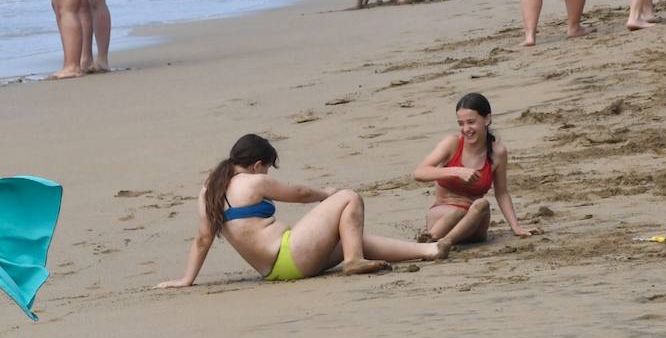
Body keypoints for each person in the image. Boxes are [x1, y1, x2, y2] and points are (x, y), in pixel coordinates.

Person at [156, 134, 450, 288]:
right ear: (258, 165)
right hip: (290, 253)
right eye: (268, 166)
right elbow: (300, 194)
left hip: (273, 271)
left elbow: (203, 239)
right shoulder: (253, 181)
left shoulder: (208, 191)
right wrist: (326, 194)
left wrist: (186, 279)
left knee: (350, 236)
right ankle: (354, 262)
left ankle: (430, 251)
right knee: (349, 198)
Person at [413, 93, 537, 245]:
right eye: (461, 123)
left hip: (474, 223)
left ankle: (442, 243)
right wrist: (456, 171)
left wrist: (516, 227)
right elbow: (419, 172)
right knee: (457, 212)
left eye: (471, 122)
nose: (466, 129)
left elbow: (502, 192)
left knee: (481, 204)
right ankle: (433, 241)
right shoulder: (451, 143)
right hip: (443, 215)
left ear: (487, 119)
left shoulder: (498, 152)